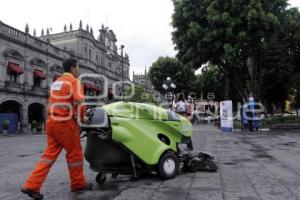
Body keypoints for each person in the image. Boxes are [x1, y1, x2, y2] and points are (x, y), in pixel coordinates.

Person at [21, 58, 93, 200]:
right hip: (65, 123)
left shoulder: (55, 83)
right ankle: (78, 183)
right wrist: (83, 117)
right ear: (73, 68)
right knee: (75, 154)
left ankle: (31, 185)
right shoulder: (74, 81)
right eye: (77, 68)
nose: (78, 70)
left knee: (48, 156)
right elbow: (79, 101)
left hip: (51, 122)